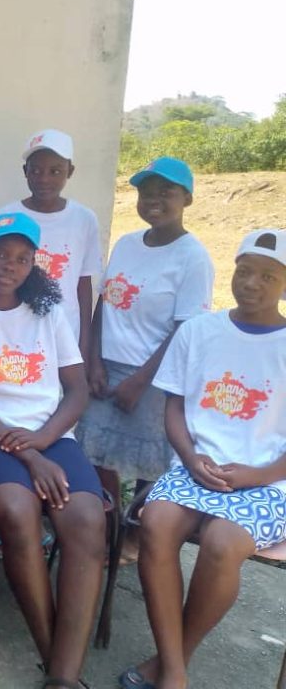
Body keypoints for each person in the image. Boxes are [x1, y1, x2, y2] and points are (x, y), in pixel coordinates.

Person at [0, 212, 105, 689]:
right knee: (17, 511)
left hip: (52, 437)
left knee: (87, 521)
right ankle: (58, 662)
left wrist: (45, 440)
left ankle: (61, 676)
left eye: (20, 258)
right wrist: (31, 456)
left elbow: (77, 390)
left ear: (34, 265)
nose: (7, 265)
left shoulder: (50, 315)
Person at [120, 229, 286, 689]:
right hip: (194, 466)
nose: (251, 283)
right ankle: (175, 672)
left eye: (268, 276)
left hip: (269, 480)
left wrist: (258, 474)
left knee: (222, 543)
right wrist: (190, 459)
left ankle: (171, 662)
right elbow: (174, 409)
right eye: (244, 271)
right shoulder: (198, 331)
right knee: (155, 522)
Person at [77, 157, 214, 561]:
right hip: (106, 369)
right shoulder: (127, 244)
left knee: (149, 463)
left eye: (166, 191)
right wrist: (93, 361)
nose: (154, 199)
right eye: (146, 191)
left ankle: (135, 540)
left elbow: (185, 329)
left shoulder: (193, 257)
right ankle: (108, 527)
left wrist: (140, 381)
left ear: (187, 198)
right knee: (93, 451)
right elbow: (105, 303)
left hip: (155, 375)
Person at [0, 130, 101, 356]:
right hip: (14, 331)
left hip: (65, 333)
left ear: (70, 171)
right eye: (36, 170)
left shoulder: (84, 219)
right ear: (25, 171)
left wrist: (84, 345)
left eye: (55, 171)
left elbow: (83, 284)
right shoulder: (5, 217)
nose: (44, 179)